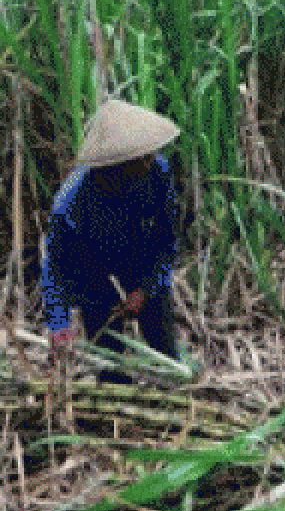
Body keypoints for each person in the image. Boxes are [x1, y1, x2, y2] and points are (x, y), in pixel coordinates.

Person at [42, 99, 182, 381]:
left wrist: (146, 288)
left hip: (143, 270)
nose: (149, 160)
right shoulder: (70, 205)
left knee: (169, 364)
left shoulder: (157, 172)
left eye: (149, 155)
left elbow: (167, 241)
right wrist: (59, 324)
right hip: (96, 284)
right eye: (141, 158)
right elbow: (55, 270)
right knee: (112, 370)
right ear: (117, 165)